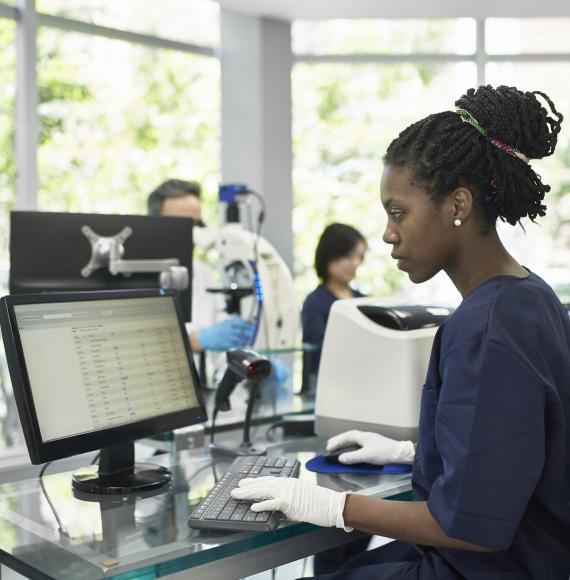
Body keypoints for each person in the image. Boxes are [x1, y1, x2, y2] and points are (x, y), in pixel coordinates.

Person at [231, 85, 570, 579]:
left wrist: (332, 506)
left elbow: (467, 527)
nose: (388, 233)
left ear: (458, 205)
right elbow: (518, 452)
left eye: (397, 212)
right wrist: (414, 454)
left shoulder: (483, 330)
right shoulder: (532, 296)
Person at [147, 179, 255, 355]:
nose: (192, 234)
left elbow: (222, 352)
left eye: (197, 225)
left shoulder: (203, 273)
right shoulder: (132, 275)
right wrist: (194, 341)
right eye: (182, 225)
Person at [301, 223, 367, 392]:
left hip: (360, 383)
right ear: (330, 254)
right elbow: (316, 352)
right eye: (348, 256)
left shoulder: (363, 300)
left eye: (359, 257)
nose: (355, 263)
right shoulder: (315, 302)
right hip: (326, 387)